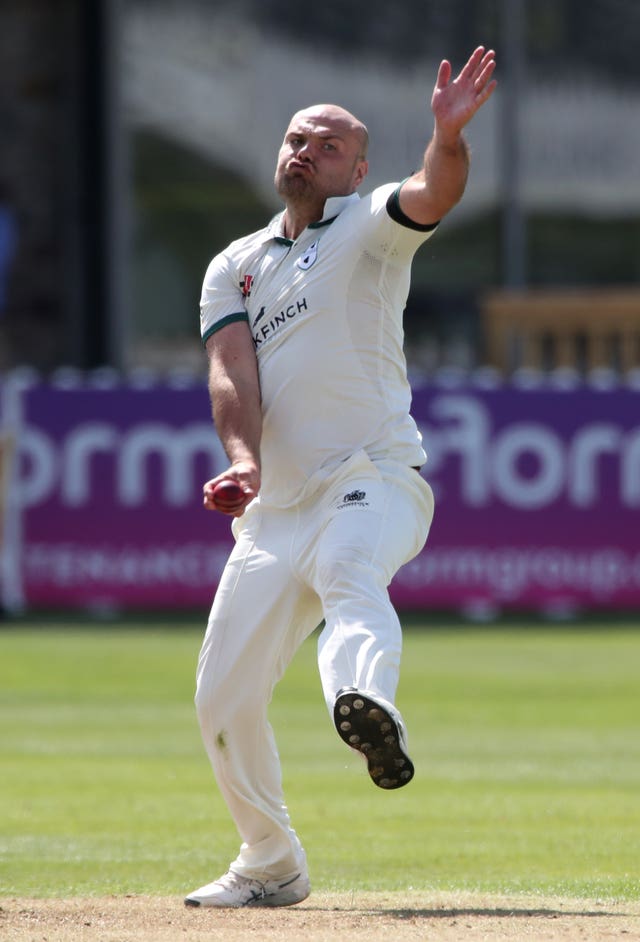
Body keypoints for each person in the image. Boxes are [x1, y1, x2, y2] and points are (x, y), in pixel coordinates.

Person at [186, 46, 497, 909]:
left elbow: (435, 192)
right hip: (276, 513)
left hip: (375, 479)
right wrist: (244, 462)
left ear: (357, 168)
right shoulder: (234, 264)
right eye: (294, 139)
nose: (304, 151)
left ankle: (366, 703)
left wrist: (448, 137)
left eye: (326, 145)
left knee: (352, 578)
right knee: (221, 701)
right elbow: (229, 373)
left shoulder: (367, 225)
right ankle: (271, 862)